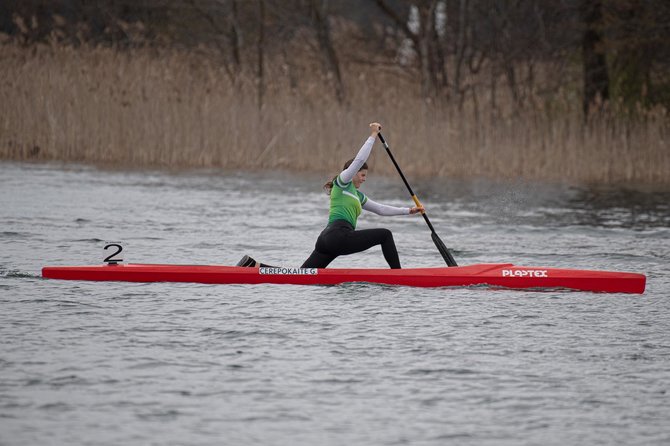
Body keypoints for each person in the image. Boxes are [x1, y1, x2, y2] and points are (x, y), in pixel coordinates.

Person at [300, 122, 423, 269]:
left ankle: (264, 269)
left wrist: (408, 211)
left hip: (326, 240)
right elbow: (359, 160)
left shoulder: (357, 195)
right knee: (385, 235)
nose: (364, 179)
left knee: (302, 274)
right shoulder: (343, 182)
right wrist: (373, 135)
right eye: (362, 175)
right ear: (353, 172)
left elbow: (380, 209)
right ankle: (399, 275)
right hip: (338, 236)